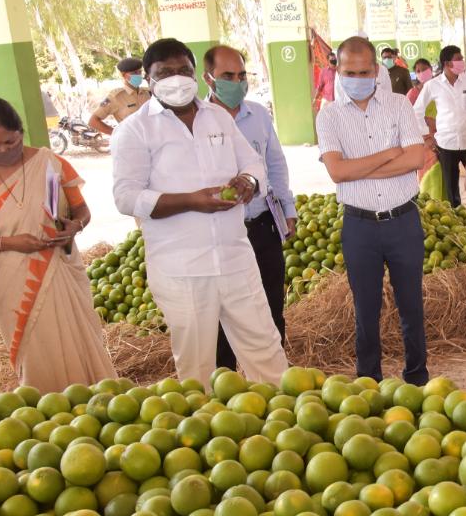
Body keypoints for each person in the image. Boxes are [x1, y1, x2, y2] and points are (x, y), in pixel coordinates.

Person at [111, 38, 286, 387]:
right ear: (148, 78)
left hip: (236, 257)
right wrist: (191, 200)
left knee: (266, 350)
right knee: (197, 365)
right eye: (165, 73)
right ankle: (206, 434)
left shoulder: (217, 116)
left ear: (196, 75)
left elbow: (252, 162)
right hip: (183, 269)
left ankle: (284, 424)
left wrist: (248, 181)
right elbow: (126, 197)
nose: (176, 78)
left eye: (183, 71)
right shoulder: (135, 129)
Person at [0, 97, 115, 391]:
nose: (4, 151)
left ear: (21, 132)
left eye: (10, 142)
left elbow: (81, 211)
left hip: (60, 266)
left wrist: (75, 226)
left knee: (80, 339)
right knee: (35, 352)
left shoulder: (49, 162)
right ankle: (43, 413)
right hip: (12, 277)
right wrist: (8, 242)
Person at [317, 36, 428, 384]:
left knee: (411, 306)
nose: (358, 78)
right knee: (366, 310)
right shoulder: (329, 116)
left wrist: (359, 166)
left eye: (365, 71)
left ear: (376, 69)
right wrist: (389, 154)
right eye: (350, 71)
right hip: (360, 227)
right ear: (338, 69)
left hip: (403, 220)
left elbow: (417, 157)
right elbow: (337, 171)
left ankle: (417, 378)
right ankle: (369, 381)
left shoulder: (398, 106)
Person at [202, 46, 295, 375]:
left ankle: (276, 381)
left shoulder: (258, 115)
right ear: (208, 78)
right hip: (220, 233)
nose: (237, 82)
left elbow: (275, 164)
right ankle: (224, 381)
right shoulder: (198, 121)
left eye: (242, 75)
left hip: (262, 224)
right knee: (221, 313)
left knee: (271, 307)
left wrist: (287, 209)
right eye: (228, 76)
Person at [414, 46, 466, 208]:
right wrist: (427, 136)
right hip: (446, 144)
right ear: (447, 63)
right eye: (458, 59)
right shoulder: (433, 85)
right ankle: (458, 221)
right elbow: (417, 110)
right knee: (451, 189)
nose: (462, 61)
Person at [89, 57, 151, 136]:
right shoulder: (114, 97)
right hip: (133, 142)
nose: (138, 75)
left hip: (153, 139)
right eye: (134, 73)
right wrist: (118, 134)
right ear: (124, 75)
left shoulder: (148, 93)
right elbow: (93, 121)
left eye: (140, 72)